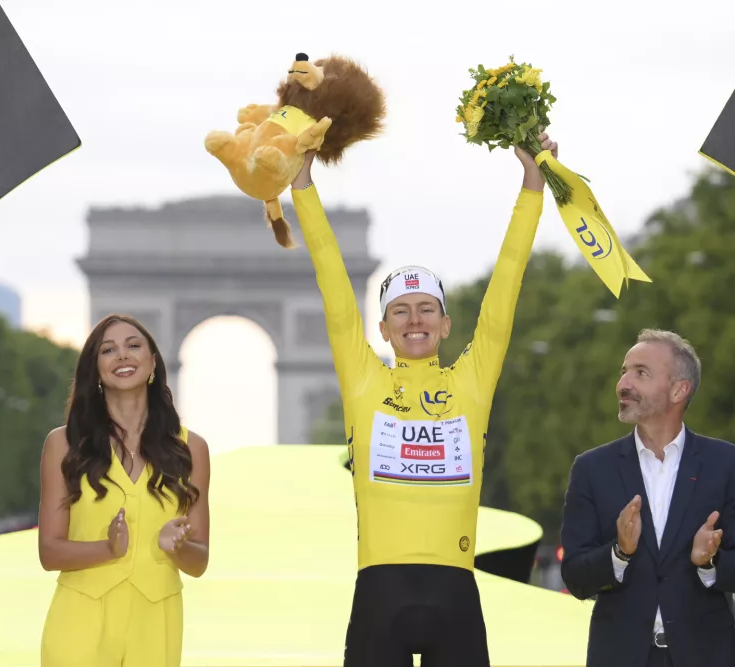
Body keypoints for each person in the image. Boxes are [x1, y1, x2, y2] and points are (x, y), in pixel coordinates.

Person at [289, 133, 555, 665]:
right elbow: (333, 283)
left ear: (446, 325)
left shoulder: (470, 381)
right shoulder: (365, 381)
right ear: (383, 329)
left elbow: (505, 289)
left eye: (426, 308)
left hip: (455, 594)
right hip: (379, 593)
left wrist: (533, 185)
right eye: (401, 310)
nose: (414, 319)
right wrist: (302, 184)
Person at [38, 313, 211, 667]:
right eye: (108, 350)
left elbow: (200, 561)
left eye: (133, 345)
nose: (122, 355)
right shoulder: (63, 444)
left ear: (153, 362)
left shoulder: (192, 449)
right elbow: (49, 552)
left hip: (156, 624)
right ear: (95, 369)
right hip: (80, 624)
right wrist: (107, 548)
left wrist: (177, 547)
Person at [560, 329, 735, 667]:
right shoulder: (591, 469)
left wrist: (709, 563)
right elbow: (575, 577)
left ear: (679, 390)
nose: (623, 384)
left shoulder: (726, 464)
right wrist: (619, 553)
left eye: (641, 373)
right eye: (623, 371)